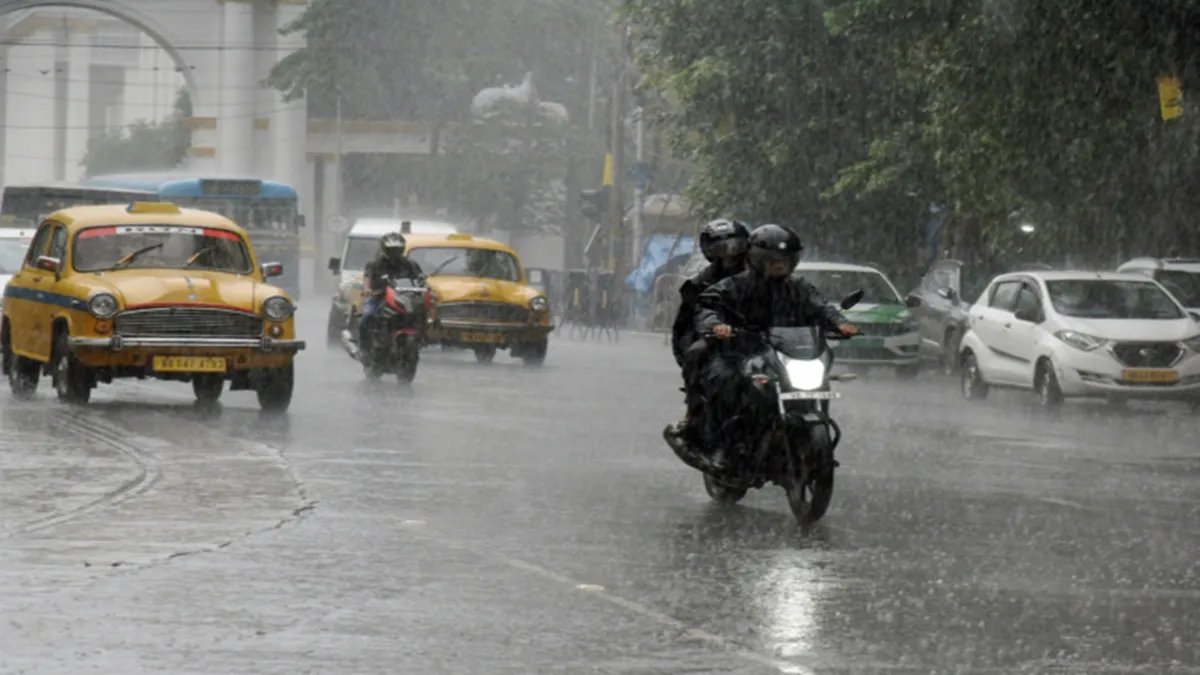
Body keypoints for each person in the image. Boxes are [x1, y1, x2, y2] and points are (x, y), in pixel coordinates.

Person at [687, 223, 859, 470]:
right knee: (725, 380)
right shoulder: (734, 286)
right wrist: (716, 324)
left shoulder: (799, 287)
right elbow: (708, 305)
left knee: (820, 383)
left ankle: (808, 444)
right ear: (757, 259)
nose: (780, 265)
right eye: (773, 260)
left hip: (785, 353)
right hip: (741, 352)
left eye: (786, 260)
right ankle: (721, 447)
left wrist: (840, 323)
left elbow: (822, 307)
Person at [664, 219, 751, 447]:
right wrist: (712, 331)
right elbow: (688, 321)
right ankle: (694, 415)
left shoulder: (763, 276)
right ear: (710, 251)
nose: (731, 253)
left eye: (735, 246)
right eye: (722, 248)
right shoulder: (702, 282)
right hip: (719, 340)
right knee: (701, 357)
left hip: (760, 338)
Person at [359, 232, 426, 360]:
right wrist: (368, 289)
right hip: (379, 297)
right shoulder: (374, 265)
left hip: (404, 298)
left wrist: (427, 288)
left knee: (422, 314)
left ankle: (419, 340)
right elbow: (367, 278)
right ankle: (365, 349)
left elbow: (420, 278)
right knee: (367, 317)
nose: (394, 253)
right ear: (384, 249)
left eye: (397, 250)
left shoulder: (410, 264)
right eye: (391, 250)